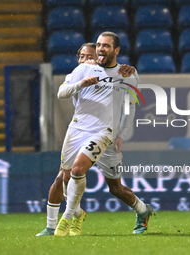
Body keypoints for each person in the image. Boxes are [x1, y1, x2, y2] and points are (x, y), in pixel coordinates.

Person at [53, 32, 154, 237]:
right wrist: (82, 83)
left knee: (114, 188)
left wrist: (121, 135)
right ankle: (74, 216)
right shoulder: (83, 70)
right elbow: (61, 93)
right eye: (98, 45)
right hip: (79, 129)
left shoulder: (127, 74)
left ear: (116, 50)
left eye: (106, 46)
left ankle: (143, 211)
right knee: (68, 175)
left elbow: (131, 107)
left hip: (105, 133)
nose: (100, 49)